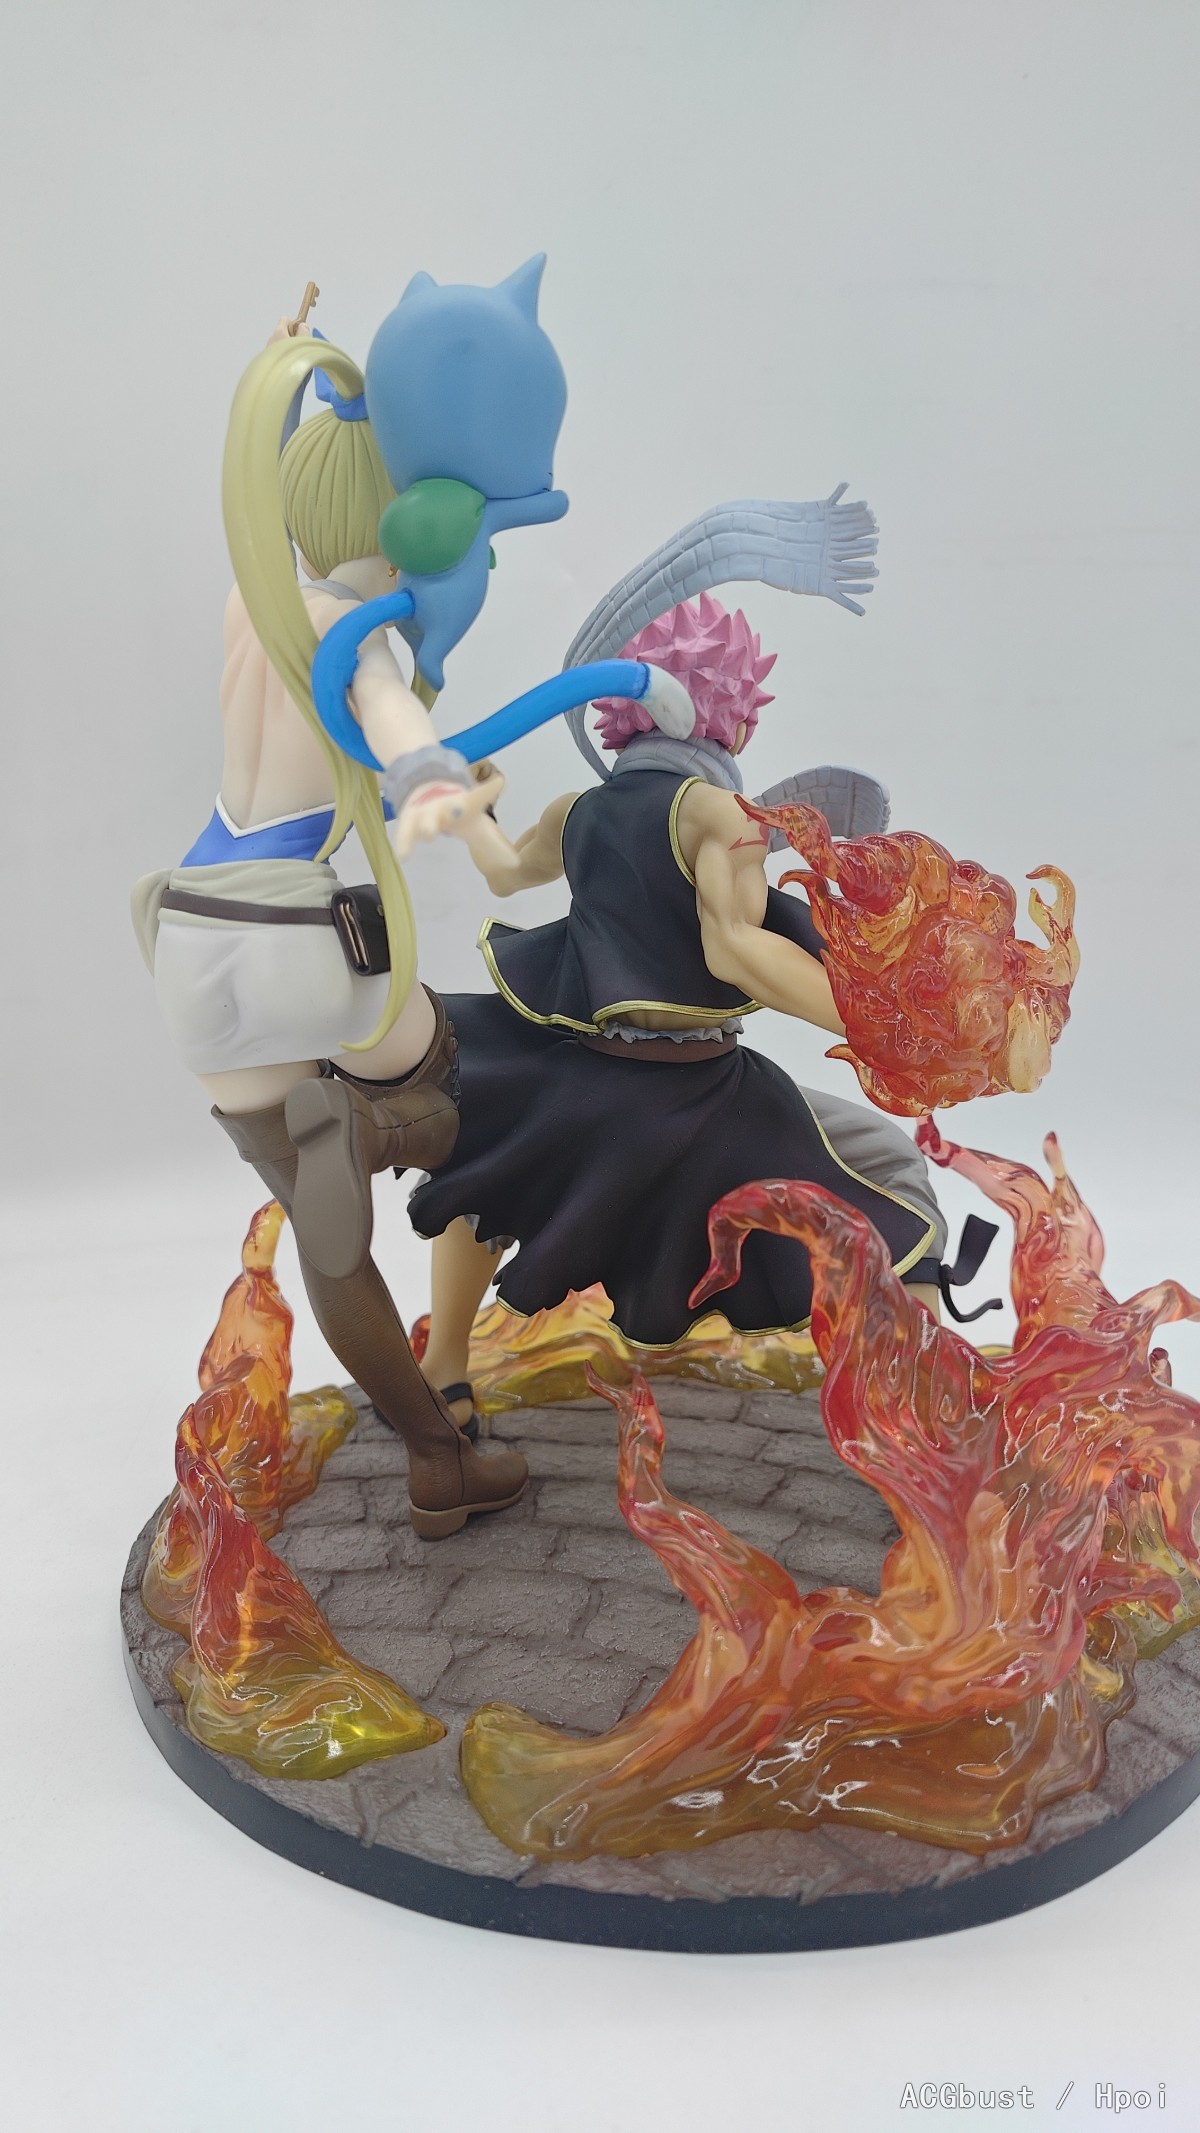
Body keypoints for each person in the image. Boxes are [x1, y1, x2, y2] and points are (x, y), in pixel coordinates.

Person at [131, 317, 527, 1538]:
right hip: (297, 934)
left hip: (190, 936)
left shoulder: (252, 603)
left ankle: (438, 1459)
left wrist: (298, 380)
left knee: (327, 1237)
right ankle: (365, 1126)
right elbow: (396, 727)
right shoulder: (361, 635)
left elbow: (285, 499)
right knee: (465, 1078)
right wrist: (443, 786)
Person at [410, 596, 949, 1423]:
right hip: (701, 1101)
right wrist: (876, 1027)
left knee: (486, 1171)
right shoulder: (720, 814)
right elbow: (734, 948)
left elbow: (506, 872)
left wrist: (475, 811)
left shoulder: (577, 810)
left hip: (585, 1085)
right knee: (892, 1185)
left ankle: (444, 1371)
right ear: (734, 716)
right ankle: (923, 1409)